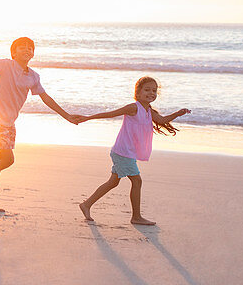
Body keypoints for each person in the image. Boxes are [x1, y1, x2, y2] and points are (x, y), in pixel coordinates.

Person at [0, 37, 79, 212]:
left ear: (33, 53)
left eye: (30, 48)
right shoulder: (5, 65)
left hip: (9, 122)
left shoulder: (33, 76)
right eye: (22, 47)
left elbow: (46, 98)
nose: (27, 50)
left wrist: (67, 115)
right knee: (7, 160)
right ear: (13, 52)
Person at [75, 76, 190, 225]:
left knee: (113, 182)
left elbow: (162, 120)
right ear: (138, 92)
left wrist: (177, 114)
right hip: (123, 152)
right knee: (137, 181)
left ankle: (86, 205)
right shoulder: (133, 108)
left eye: (154, 91)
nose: (151, 93)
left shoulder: (149, 110)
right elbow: (110, 114)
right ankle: (136, 217)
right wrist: (88, 118)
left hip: (125, 151)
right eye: (147, 90)